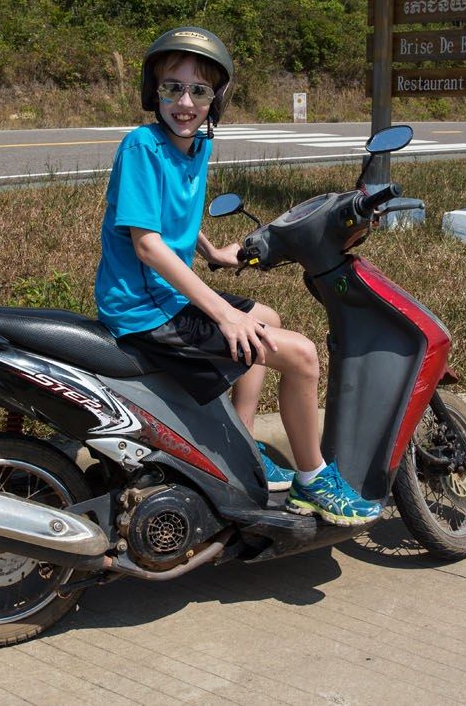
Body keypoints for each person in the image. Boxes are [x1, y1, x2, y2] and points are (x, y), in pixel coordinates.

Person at [93, 26, 380, 526]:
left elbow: (169, 220)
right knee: (303, 355)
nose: (185, 101)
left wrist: (211, 253)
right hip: (143, 309)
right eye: (172, 88)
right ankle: (314, 481)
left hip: (166, 295)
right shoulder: (144, 146)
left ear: (215, 99)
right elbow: (146, 243)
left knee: (266, 315)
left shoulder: (194, 147)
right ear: (153, 92)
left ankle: (240, 448)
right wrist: (223, 313)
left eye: (199, 90)